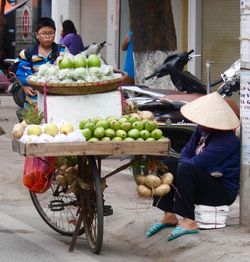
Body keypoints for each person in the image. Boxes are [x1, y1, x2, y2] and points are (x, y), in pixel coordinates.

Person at [145, 91, 240, 241]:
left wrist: (183, 168)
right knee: (165, 165)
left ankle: (189, 220)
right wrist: (181, 167)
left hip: (221, 191)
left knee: (186, 170)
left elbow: (200, 163)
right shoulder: (201, 130)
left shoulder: (226, 140)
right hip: (202, 178)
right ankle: (169, 214)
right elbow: (185, 152)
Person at [16, 17, 66, 108]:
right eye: (43, 33)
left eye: (51, 33)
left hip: (57, 101)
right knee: (33, 122)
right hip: (34, 102)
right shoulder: (27, 54)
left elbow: (68, 71)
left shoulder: (62, 50)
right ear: (37, 35)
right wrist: (24, 87)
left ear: (55, 34)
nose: (47, 36)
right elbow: (19, 73)